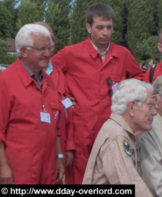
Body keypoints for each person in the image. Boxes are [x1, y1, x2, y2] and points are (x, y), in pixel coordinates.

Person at [51, 3, 145, 184]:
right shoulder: (71, 53)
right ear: (88, 27)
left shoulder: (122, 54)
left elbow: (139, 76)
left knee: (113, 176)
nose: (105, 32)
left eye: (109, 27)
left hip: (112, 128)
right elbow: (49, 71)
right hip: (80, 130)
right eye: (100, 27)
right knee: (80, 178)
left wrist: (127, 90)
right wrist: (62, 96)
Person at [0, 24, 64, 184]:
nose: (48, 54)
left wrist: (59, 157)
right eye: (42, 49)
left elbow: (55, 126)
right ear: (23, 51)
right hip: (19, 172)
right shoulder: (5, 82)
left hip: (47, 170)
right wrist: (2, 166)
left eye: (49, 48)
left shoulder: (50, 82)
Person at [83, 79, 156, 197]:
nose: (154, 112)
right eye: (150, 106)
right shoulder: (116, 135)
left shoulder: (120, 130)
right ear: (132, 107)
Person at [35, 22, 75, 179]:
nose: (49, 43)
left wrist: (69, 147)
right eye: (44, 38)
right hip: (31, 152)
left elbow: (68, 111)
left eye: (51, 39)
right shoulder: (11, 78)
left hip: (56, 149)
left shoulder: (58, 73)